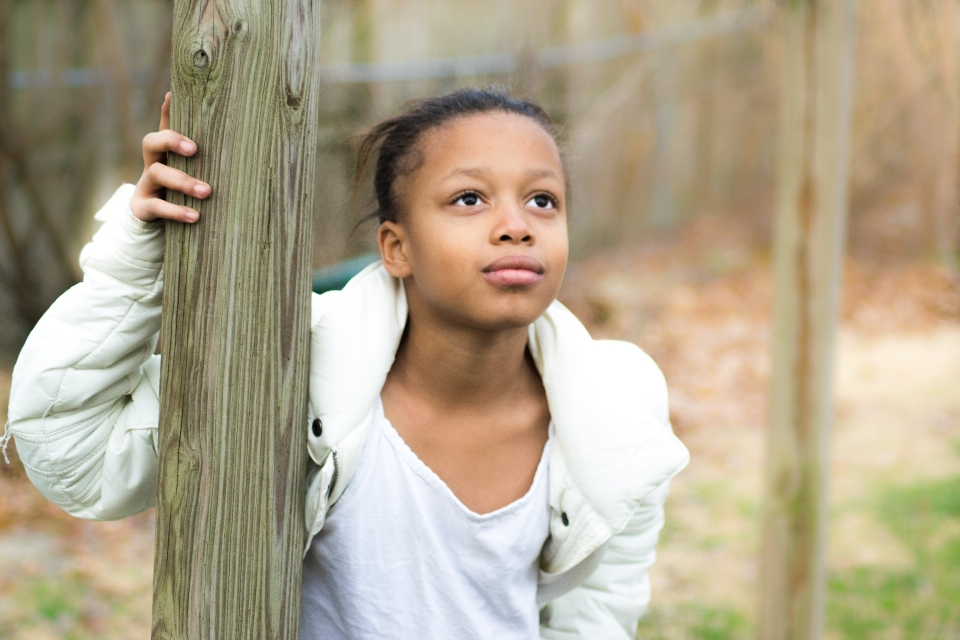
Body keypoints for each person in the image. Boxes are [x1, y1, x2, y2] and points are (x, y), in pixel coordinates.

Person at [6, 87, 689, 639]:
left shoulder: (611, 405)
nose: (517, 224)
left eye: (543, 199)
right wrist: (138, 260)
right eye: (469, 199)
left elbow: (597, 612)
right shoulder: (291, 369)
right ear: (397, 248)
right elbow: (71, 451)